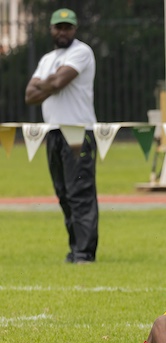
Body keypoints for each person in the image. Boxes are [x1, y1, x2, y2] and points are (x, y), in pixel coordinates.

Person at [25, 8, 99, 264]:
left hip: (78, 131)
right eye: (59, 27)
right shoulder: (47, 59)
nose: (63, 31)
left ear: (75, 29)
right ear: (51, 29)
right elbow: (29, 96)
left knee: (80, 192)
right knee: (63, 193)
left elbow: (57, 84)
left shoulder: (82, 51)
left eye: (68, 27)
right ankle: (75, 248)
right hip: (54, 130)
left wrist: (46, 83)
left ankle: (84, 253)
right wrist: (52, 82)